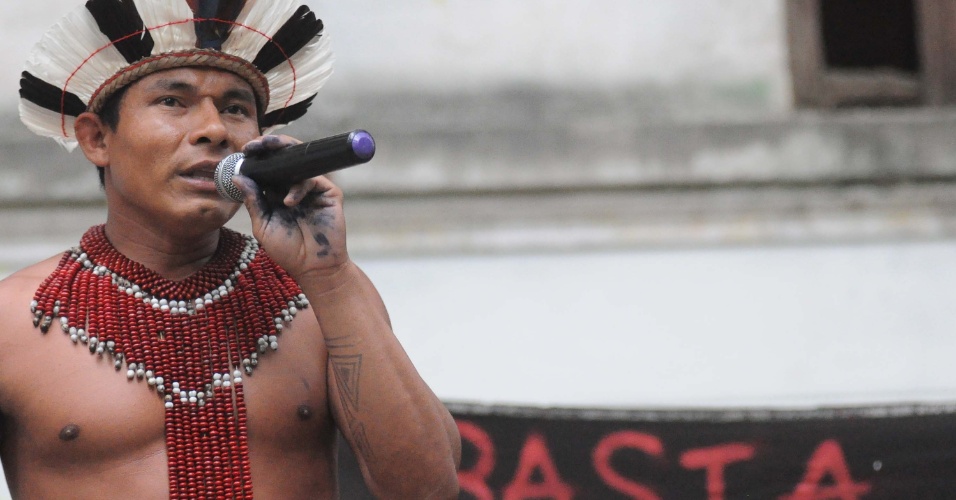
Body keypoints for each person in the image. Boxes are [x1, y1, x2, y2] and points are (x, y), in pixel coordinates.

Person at [0, 0, 461, 498]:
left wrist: (329, 276)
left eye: (236, 109)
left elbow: (427, 489)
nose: (215, 130)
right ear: (96, 139)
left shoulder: (320, 295)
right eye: (173, 102)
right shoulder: (14, 320)